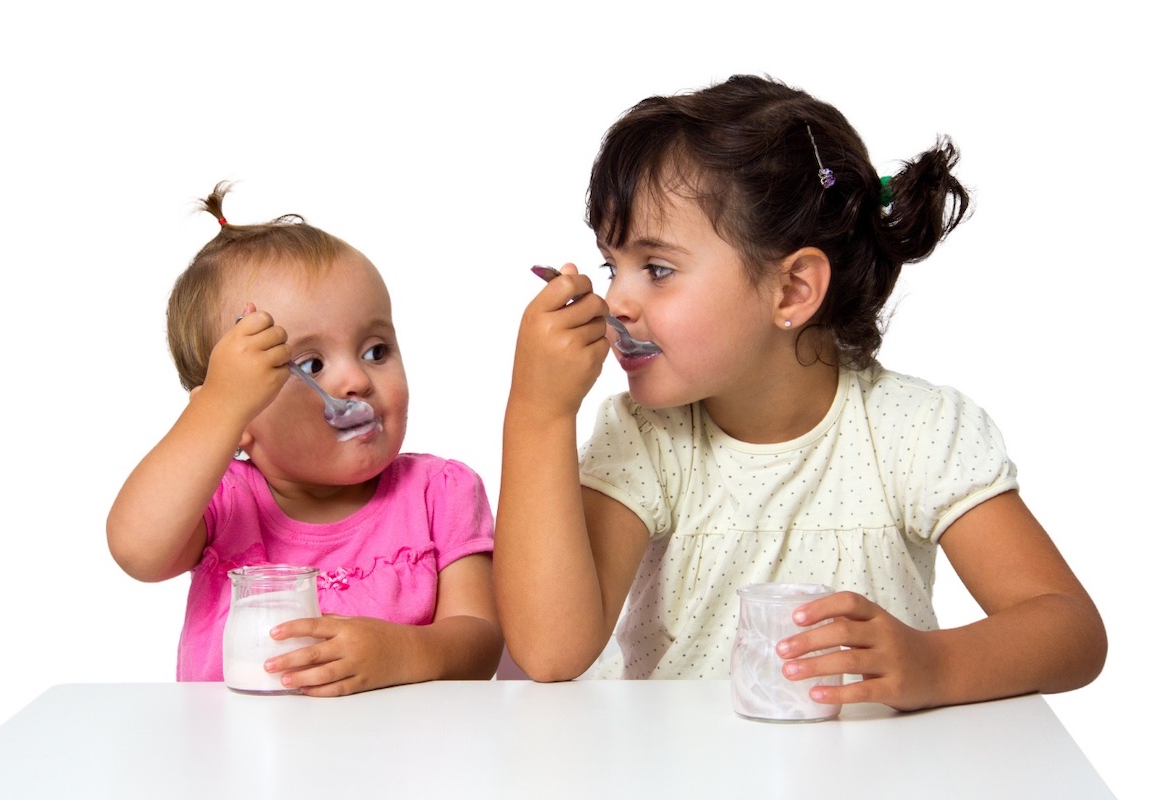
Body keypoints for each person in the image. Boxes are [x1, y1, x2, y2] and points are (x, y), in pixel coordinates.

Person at [495, 75, 1106, 711]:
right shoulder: (648, 436)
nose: (617, 300)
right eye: (610, 265)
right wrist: (539, 413)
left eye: (657, 269)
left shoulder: (915, 431)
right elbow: (551, 651)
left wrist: (937, 662)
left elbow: (1070, 630)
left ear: (791, 291)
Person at [108, 183, 502, 695]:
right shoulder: (222, 503)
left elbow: (481, 643)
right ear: (241, 419)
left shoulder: (439, 493)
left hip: (399, 766)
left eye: (376, 350)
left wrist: (401, 652)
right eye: (313, 364)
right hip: (233, 769)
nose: (356, 381)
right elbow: (137, 551)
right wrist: (218, 410)